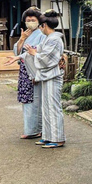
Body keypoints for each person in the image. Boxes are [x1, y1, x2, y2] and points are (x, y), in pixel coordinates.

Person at [25, 9, 65, 149]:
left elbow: (46, 59)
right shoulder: (50, 38)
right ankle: (48, 136)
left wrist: (34, 53)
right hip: (47, 77)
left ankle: (58, 138)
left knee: (53, 108)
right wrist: (27, 54)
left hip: (53, 77)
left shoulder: (54, 39)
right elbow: (38, 52)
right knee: (46, 107)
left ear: (44, 26)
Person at [5, 7, 46, 140]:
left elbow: (40, 54)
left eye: (33, 20)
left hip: (34, 71)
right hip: (24, 71)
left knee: (36, 100)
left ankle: (36, 129)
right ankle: (31, 128)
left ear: (39, 21)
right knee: (27, 101)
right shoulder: (26, 34)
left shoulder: (42, 34)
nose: (30, 22)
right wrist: (22, 39)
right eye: (28, 20)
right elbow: (17, 52)